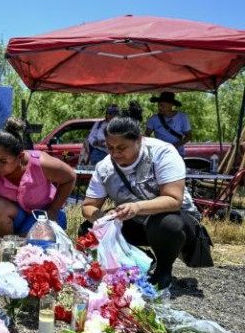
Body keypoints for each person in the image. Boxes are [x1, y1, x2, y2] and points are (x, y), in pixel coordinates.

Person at [81, 117, 199, 288]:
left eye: (122, 148)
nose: (115, 153)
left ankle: (163, 271)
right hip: (137, 222)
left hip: (177, 223)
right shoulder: (104, 167)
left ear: (139, 140)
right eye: (110, 147)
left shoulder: (162, 153)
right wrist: (104, 217)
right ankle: (141, 259)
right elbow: (88, 206)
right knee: (89, 229)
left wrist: (136, 207)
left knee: (166, 224)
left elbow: (173, 200)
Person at [144, 92, 191, 157]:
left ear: (171, 105)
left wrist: (175, 146)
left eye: (162, 105)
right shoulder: (153, 119)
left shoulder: (182, 117)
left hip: (177, 154)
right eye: (159, 105)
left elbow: (188, 136)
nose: (159, 108)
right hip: (159, 154)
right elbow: (146, 136)